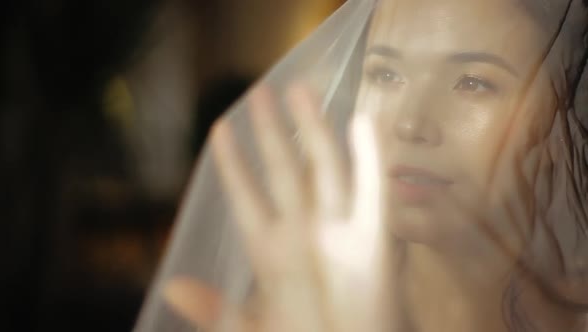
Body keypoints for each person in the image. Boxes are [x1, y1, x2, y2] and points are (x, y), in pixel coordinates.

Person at [135, 0, 588, 331]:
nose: (410, 124)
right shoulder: (281, 319)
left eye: (472, 82)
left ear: (559, 118)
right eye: (386, 74)